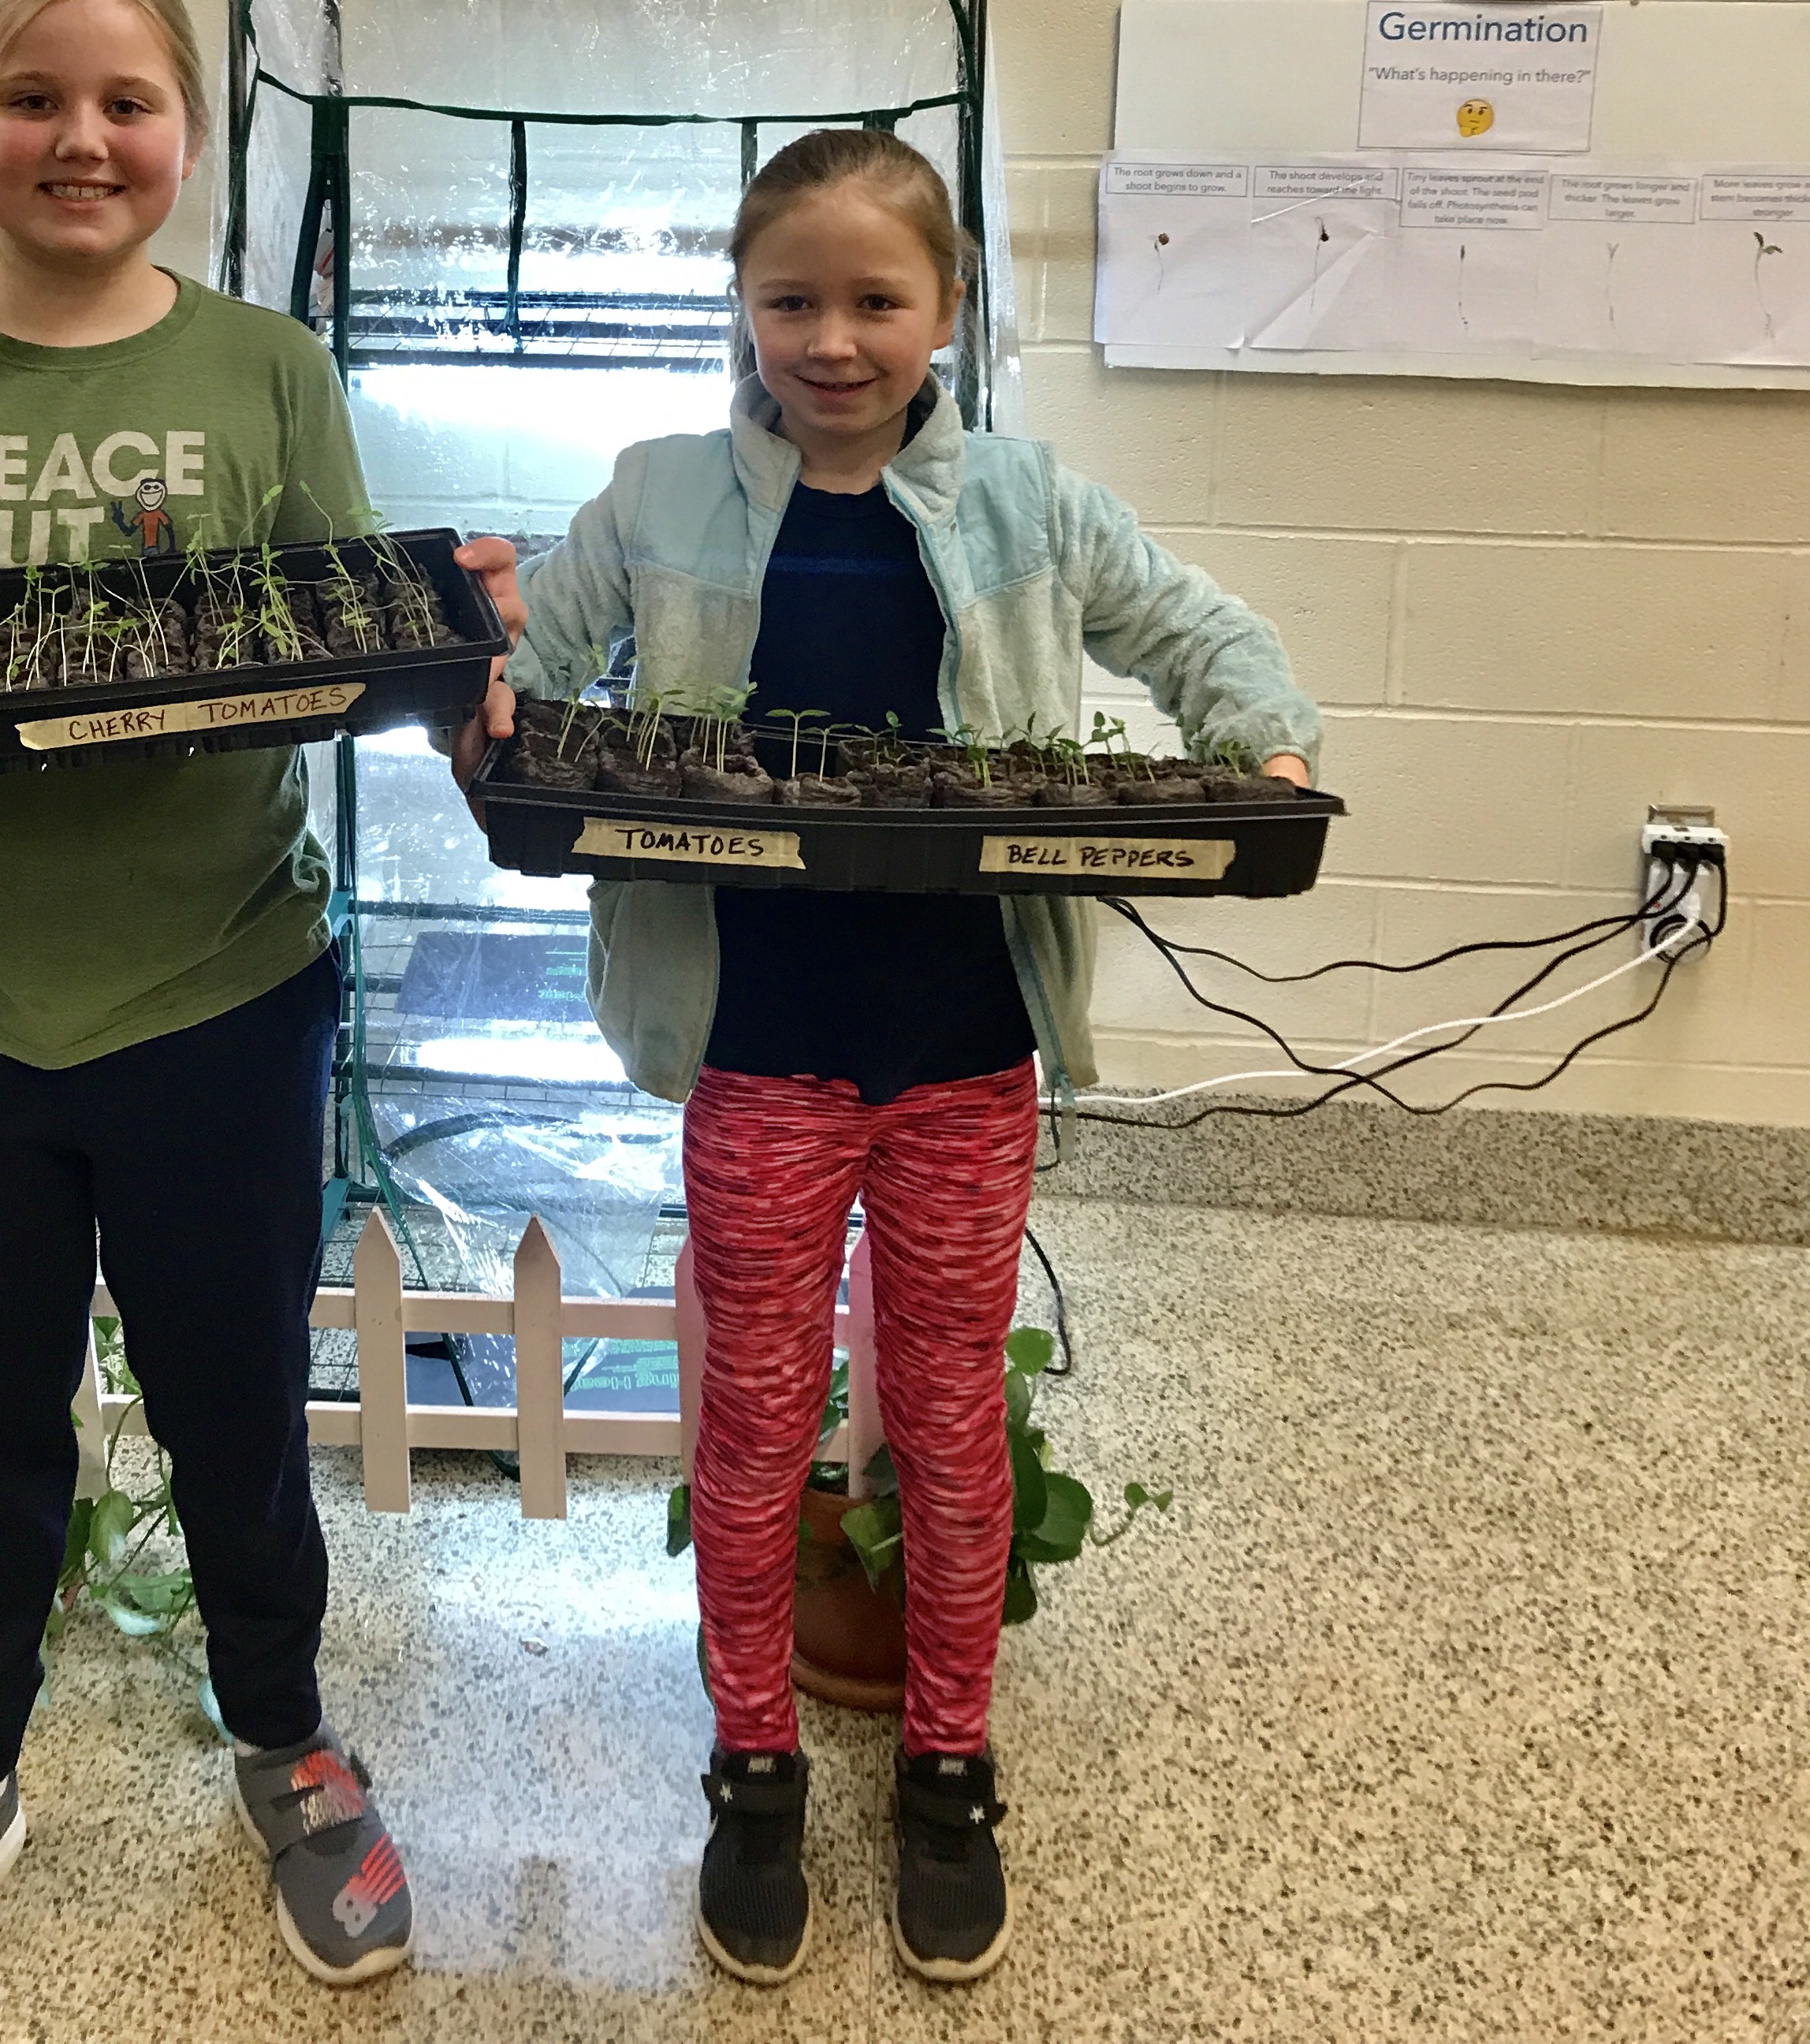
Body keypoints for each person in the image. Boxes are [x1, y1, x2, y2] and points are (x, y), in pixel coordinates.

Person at [0, 0, 525, 2039]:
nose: (84, 139)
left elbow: (347, 646)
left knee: (241, 1410)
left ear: (188, 132)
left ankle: (285, 1740)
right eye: (35, 99)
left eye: (130, 103)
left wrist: (452, 634)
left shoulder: (264, 371)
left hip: (220, 991)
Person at [494, 126, 1318, 1992]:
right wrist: (490, 695)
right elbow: (540, 648)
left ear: (947, 307)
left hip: (960, 1049)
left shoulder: (1029, 506)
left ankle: (950, 1760)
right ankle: (756, 1761)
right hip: (761, 1047)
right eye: (793, 299)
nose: (835, 340)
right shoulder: (657, 495)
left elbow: (1192, 628)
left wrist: (1262, 738)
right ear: (744, 306)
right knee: (760, 1410)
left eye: (878, 299)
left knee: (948, 1409)